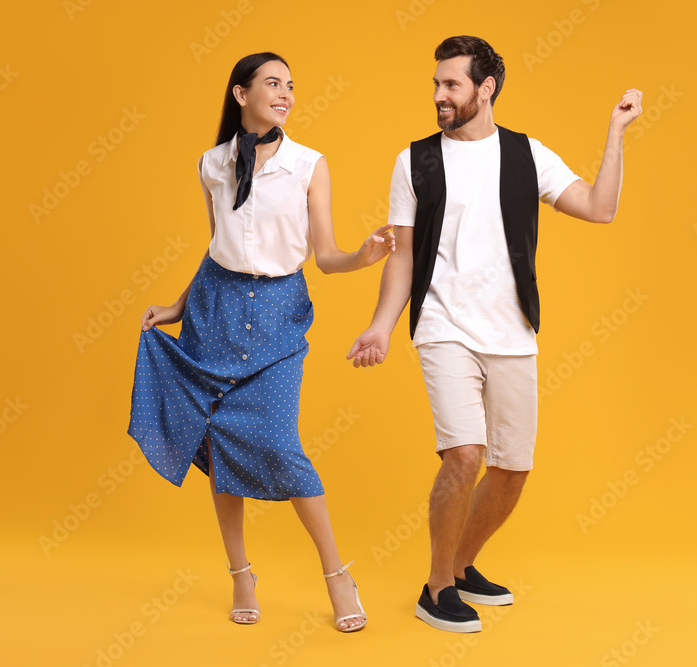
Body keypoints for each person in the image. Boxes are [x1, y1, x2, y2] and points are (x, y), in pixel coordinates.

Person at [347, 35, 642, 632]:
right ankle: (436, 589)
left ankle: (460, 566)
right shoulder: (415, 161)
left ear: (486, 89)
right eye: (436, 83)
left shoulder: (527, 155)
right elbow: (402, 256)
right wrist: (381, 325)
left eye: (451, 84)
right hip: (442, 325)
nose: (438, 95)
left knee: (512, 469)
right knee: (464, 455)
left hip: (512, 332)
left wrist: (615, 134)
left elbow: (599, 207)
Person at [128, 52, 394, 632]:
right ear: (240, 93)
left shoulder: (308, 165)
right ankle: (241, 576)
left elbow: (324, 256)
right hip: (213, 310)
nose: (286, 94)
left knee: (279, 444)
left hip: (278, 313)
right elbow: (217, 244)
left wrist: (363, 256)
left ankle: (336, 575)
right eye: (273, 83)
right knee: (220, 442)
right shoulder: (211, 164)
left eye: (291, 85)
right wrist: (177, 305)